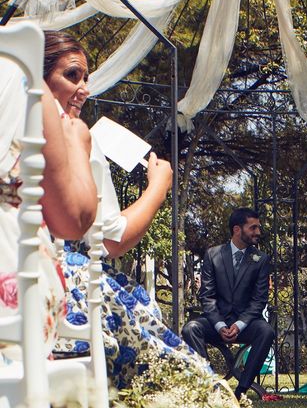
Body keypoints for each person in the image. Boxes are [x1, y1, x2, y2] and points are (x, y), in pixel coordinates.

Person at [41, 30, 210, 388]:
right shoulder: (72, 134)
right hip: (61, 282)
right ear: (40, 80)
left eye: (86, 78)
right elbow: (108, 240)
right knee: (182, 372)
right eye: (72, 75)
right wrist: (157, 190)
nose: (84, 89)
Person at [0, 55, 97, 361]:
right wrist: (79, 144)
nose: (84, 90)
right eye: (72, 75)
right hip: (12, 272)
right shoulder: (22, 73)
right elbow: (72, 221)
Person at [182, 207, 275, 400]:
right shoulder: (212, 255)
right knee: (190, 328)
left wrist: (239, 325)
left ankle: (241, 391)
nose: (258, 232)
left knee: (266, 331)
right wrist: (220, 324)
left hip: (247, 323)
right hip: (216, 322)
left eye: (258, 228)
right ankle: (210, 385)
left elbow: (259, 300)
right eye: (253, 227)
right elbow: (207, 296)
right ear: (237, 230)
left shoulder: (261, 259)